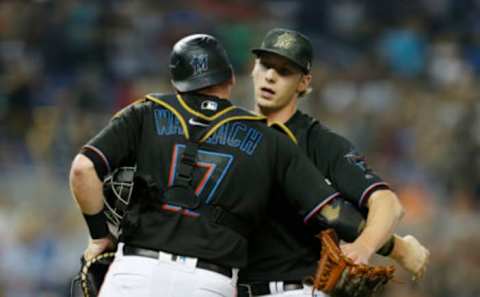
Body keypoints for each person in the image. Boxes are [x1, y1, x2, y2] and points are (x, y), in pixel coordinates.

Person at [69, 34, 368, 297]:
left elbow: (83, 169)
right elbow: (334, 213)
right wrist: (389, 244)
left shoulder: (144, 113)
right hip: (208, 282)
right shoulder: (267, 138)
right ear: (231, 79)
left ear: (176, 82)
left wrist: (99, 236)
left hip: (135, 270)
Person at [237, 28, 429, 297]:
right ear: (253, 68)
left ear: (303, 83)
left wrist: (363, 247)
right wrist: (398, 248)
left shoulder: (320, 142)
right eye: (266, 65)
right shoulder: (231, 130)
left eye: (284, 71)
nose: (271, 76)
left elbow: (387, 204)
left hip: (291, 290)